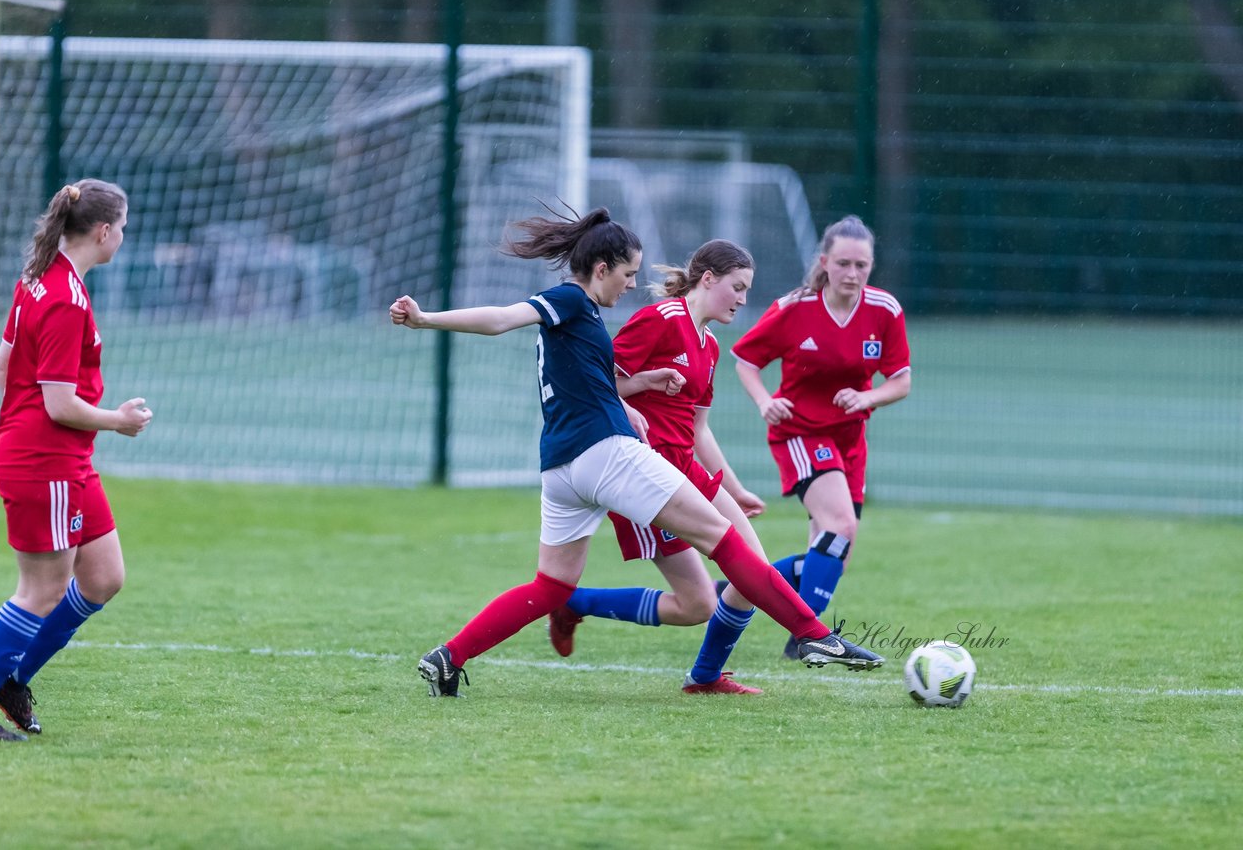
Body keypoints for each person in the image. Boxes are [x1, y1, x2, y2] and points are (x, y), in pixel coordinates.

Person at [390, 204, 883, 698]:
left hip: (561, 468)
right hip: (606, 455)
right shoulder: (570, 300)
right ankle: (815, 636)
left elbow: (589, 380)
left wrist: (635, 391)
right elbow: (500, 319)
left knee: (551, 587)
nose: (630, 285)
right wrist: (425, 318)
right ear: (601, 269)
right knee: (724, 538)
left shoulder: (587, 322)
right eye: (626, 274)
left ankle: (447, 658)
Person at [0, 180, 152, 742]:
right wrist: (118, 420)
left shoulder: (40, 278)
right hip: (44, 460)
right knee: (41, 589)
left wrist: (25, 424)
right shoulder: (65, 298)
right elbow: (59, 403)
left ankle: (12, 679)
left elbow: (4, 367)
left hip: (60, 457)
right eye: (122, 227)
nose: (122, 236)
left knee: (102, 577)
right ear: (102, 231)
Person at [544, 239, 772, 695]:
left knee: (751, 577)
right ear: (708, 279)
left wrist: (736, 487)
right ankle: (573, 602)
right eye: (738, 287)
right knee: (701, 602)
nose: (744, 300)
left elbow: (698, 430)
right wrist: (641, 387)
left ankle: (704, 677)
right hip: (646, 476)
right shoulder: (660, 319)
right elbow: (596, 385)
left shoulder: (707, 347)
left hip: (690, 469)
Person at [732, 215, 911, 659]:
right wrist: (763, 402)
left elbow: (901, 381)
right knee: (839, 527)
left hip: (851, 442)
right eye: (844, 263)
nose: (853, 274)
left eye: (862, 265)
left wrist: (868, 399)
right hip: (800, 433)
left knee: (835, 555)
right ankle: (808, 638)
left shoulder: (884, 311)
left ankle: (740, 588)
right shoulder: (795, 308)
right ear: (825, 262)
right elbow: (746, 362)